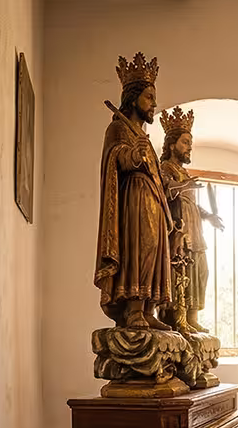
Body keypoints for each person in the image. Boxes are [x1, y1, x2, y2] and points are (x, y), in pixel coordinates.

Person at [94, 52, 174, 330]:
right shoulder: (118, 127)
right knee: (138, 249)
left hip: (153, 198)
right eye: (149, 97)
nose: (154, 104)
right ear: (133, 97)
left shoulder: (145, 138)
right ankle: (133, 308)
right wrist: (132, 156)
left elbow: (156, 172)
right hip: (134, 198)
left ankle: (149, 307)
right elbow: (114, 159)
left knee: (154, 250)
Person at [159, 106, 224, 333]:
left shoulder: (184, 173)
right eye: (185, 142)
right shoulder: (165, 167)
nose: (189, 147)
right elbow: (163, 193)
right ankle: (177, 317)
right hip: (179, 229)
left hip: (195, 229)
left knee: (200, 271)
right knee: (181, 272)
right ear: (171, 144)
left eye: (190, 143)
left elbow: (193, 203)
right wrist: (184, 185)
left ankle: (192, 316)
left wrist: (209, 216)